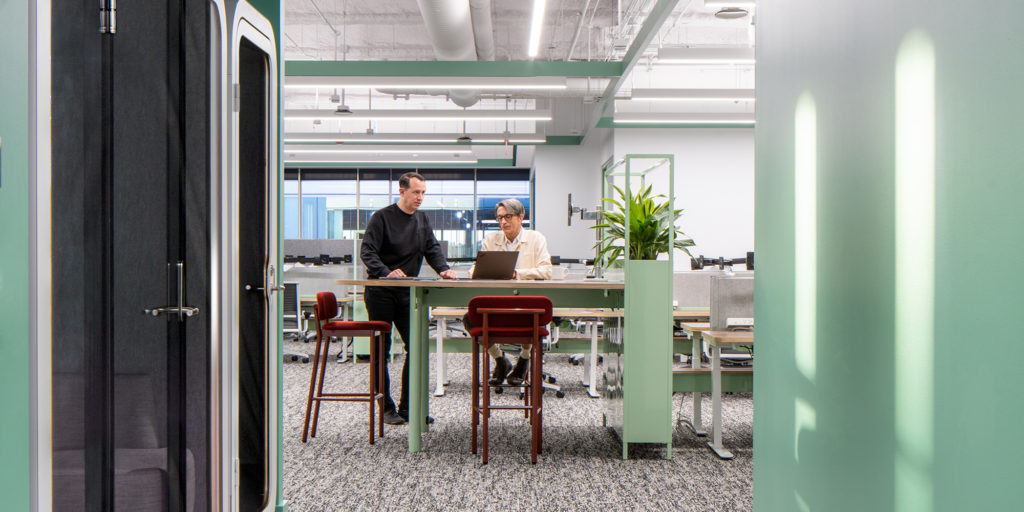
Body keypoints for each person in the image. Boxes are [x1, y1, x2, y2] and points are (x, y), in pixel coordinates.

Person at [361, 172, 457, 425]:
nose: (420, 197)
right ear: (402, 191)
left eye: (423, 192)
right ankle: (385, 408)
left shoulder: (422, 220)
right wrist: (386, 272)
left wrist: (443, 269)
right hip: (381, 292)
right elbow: (367, 252)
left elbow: (432, 249)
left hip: (409, 294)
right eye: (416, 192)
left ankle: (408, 407)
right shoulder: (381, 218)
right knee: (381, 351)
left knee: (415, 348)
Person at [467, 198, 552, 387]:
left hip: (526, 304)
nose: (503, 222)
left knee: (529, 317)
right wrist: (477, 271)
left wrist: (516, 274)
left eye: (508, 217)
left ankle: (524, 358)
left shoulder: (536, 238)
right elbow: (477, 270)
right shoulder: (491, 239)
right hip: (498, 302)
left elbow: (546, 271)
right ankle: (500, 360)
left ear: (521, 217)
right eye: (499, 218)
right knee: (470, 318)